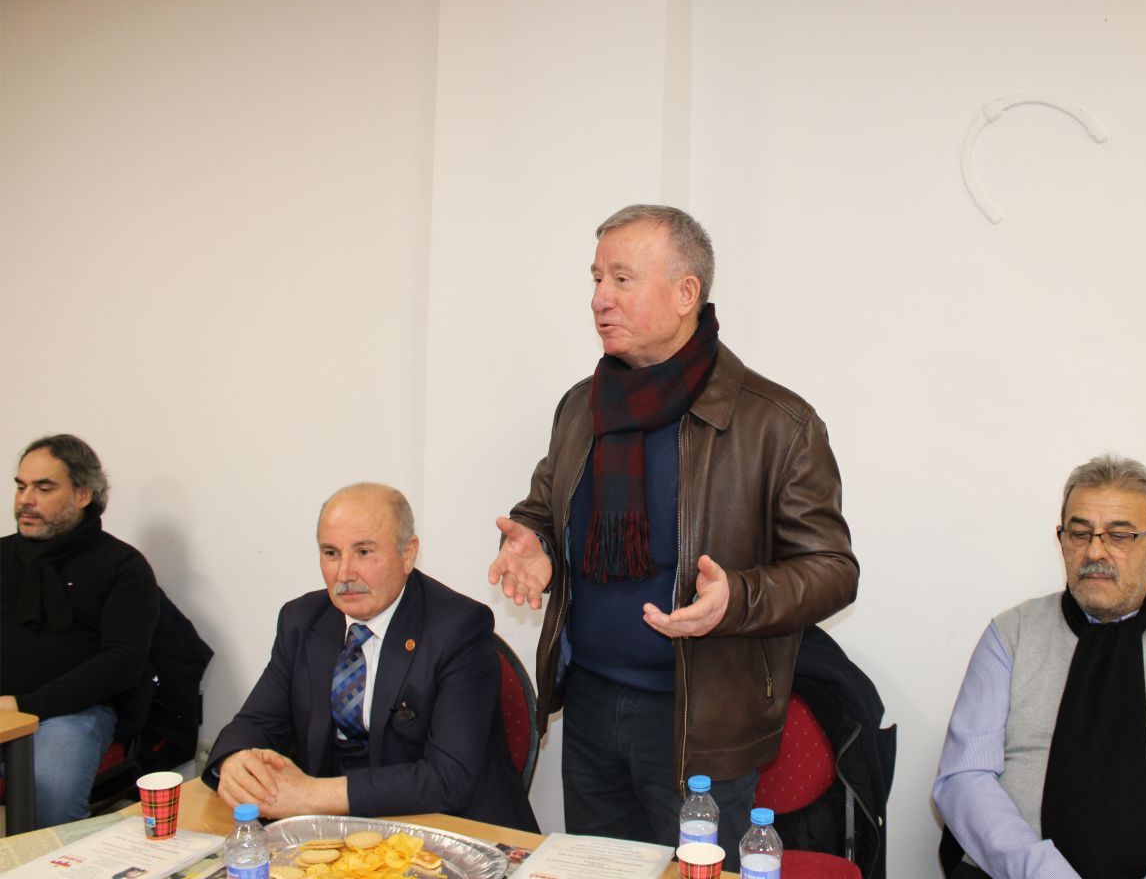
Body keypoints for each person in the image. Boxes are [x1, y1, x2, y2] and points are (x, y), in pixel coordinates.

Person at [488, 204, 858, 863]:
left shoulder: (778, 423)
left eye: (621, 279)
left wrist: (737, 598)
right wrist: (535, 545)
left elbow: (833, 569)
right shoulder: (582, 407)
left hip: (701, 723)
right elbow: (543, 508)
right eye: (596, 278)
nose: (599, 298)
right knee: (598, 873)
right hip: (591, 705)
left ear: (687, 293)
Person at [933, 454, 1146, 879]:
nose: (1095, 551)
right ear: (1061, 541)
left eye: (1119, 536)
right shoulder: (1009, 636)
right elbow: (965, 778)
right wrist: (1041, 872)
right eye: (1080, 533)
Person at [205, 483, 536, 831]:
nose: (345, 573)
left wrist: (311, 794)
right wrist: (235, 762)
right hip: (335, 831)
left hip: (449, 828)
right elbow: (254, 724)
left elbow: (447, 780)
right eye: (331, 553)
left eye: (363, 552)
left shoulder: (459, 628)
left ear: (408, 554)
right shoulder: (301, 620)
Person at [1, 434, 160, 828]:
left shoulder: (122, 566)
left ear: (83, 494)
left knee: (48, 793)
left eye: (44, 488)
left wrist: (24, 704)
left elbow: (121, 663)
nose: (25, 500)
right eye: (21, 487)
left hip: (71, 713)